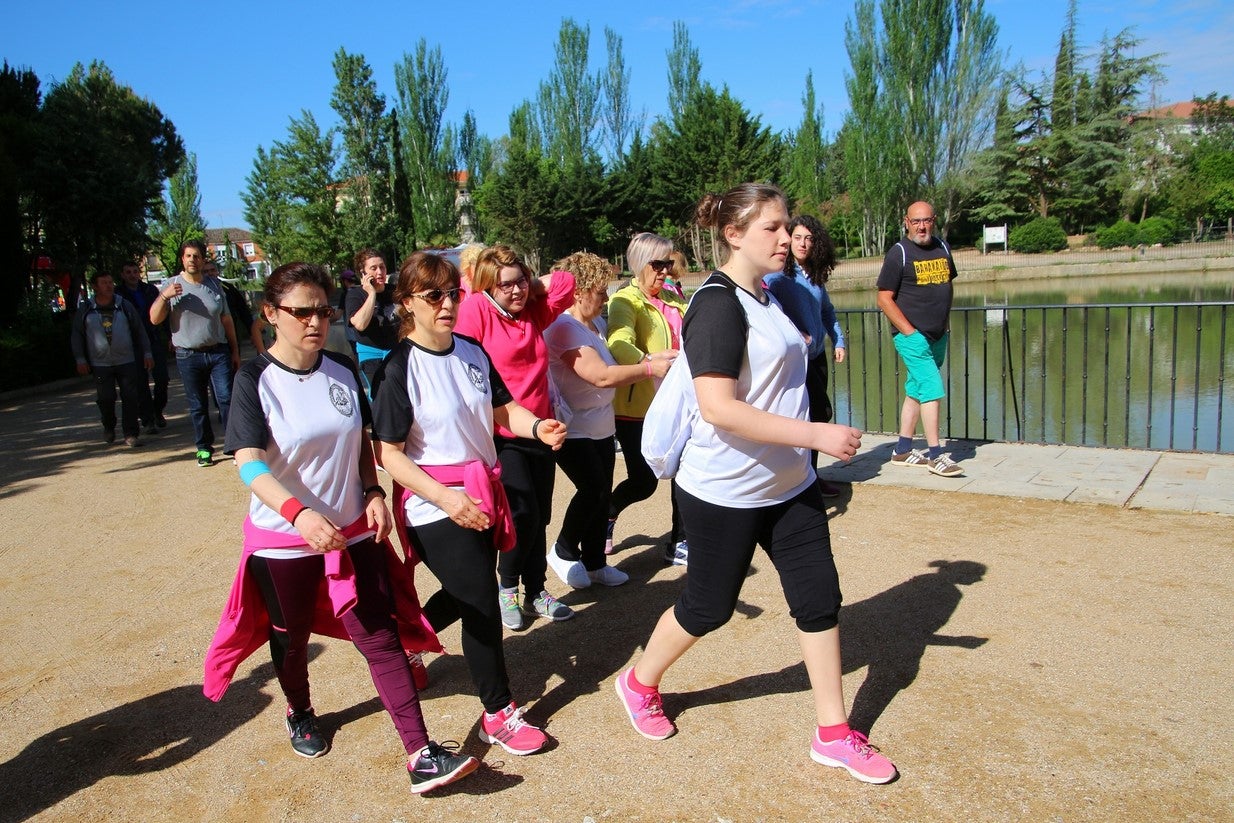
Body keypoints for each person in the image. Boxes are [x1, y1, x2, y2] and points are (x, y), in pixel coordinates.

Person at [613, 183, 897, 785]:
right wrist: (816, 433)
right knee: (708, 606)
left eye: (786, 225)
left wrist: (804, 446)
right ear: (733, 234)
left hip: (787, 484)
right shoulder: (717, 304)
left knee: (819, 598)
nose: (786, 237)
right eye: (771, 227)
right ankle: (639, 683)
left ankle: (834, 732)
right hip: (724, 490)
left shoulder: (767, 294)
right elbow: (717, 407)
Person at [203, 261, 477, 795]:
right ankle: (300, 710)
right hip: (284, 540)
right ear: (269, 314)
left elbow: (359, 446)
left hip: (352, 531)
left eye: (323, 311)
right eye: (300, 311)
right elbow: (248, 462)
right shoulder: (253, 378)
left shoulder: (343, 368)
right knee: (291, 637)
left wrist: (372, 492)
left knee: (380, 637)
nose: (314, 321)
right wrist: (299, 515)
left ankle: (420, 753)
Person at [371, 251, 566, 757]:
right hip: (433, 503)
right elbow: (388, 453)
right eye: (433, 295)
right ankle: (497, 713)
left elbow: (503, 409)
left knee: (465, 594)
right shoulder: (398, 368)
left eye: (452, 293)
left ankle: (409, 637)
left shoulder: (473, 350)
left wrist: (537, 427)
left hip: (483, 492)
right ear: (406, 303)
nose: (446, 303)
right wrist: (445, 498)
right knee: (479, 599)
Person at [454, 245, 577, 630]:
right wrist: (499, 284)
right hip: (501, 433)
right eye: (505, 285)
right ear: (488, 287)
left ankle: (536, 590)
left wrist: (529, 281)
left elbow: (566, 283)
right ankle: (507, 588)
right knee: (520, 515)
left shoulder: (531, 315)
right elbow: (457, 358)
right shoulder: (477, 309)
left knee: (539, 515)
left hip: (541, 430)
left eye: (520, 281)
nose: (516, 291)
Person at [543, 252, 677, 589]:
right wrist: (650, 368)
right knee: (592, 489)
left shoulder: (597, 325)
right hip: (572, 428)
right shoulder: (563, 328)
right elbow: (600, 376)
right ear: (579, 291)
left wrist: (653, 357)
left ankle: (595, 563)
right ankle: (562, 549)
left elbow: (619, 357)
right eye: (600, 291)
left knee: (602, 496)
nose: (606, 298)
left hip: (602, 426)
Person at [605, 233, 689, 565]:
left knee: (684, 471)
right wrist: (648, 362)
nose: (666, 271)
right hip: (637, 408)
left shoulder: (673, 296)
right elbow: (617, 342)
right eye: (658, 264)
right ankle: (606, 515)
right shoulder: (625, 300)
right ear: (640, 264)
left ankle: (680, 540)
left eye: (669, 263)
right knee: (644, 482)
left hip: (678, 403)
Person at [877, 201, 964, 477]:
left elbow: (946, 286)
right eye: (916, 221)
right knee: (932, 388)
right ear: (906, 222)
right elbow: (883, 298)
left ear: (934, 220)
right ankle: (936, 455)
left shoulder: (943, 247)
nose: (921, 226)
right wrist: (909, 332)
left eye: (926, 220)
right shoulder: (899, 253)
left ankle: (902, 449)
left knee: (916, 389)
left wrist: (943, 324)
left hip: (938, 335)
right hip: (912, 337)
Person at [764, 214, 847, 497]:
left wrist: (838, 339)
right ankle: (800, 478)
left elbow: (826, 311)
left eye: (809, 238)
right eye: (797, 237)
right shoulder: (777, 277)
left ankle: (811, 475)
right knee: (802, 417)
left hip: (817, 356)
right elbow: (769, 311)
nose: (802, 243)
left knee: (820, 413)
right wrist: (798, 333)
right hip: (796, 360)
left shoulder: (814, 276)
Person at [149, 240, 241, 467]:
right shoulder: (171, 285)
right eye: (188, 256)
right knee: (198, 404)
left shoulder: (214, 285)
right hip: (188, 355)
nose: (193, 260)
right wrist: (164, 297)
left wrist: (234, 350)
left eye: (197, 256)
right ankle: (203, 448)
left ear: (202, 259)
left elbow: (226, 319)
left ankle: (235, 447)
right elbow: (154, 318)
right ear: (182, 259)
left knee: (227, 398)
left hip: (218, 351)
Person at [71, 272, 153, 447]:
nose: (109, 286)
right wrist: (80, 359)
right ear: (94, 286)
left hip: (126, 360)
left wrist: (147, 353)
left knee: (130, 397)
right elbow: (77, 335)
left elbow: (140, 330)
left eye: (110, 282)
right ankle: (108, 426)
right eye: (104, 282)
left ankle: (131, 434)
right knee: (106, 398)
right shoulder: (86, 308)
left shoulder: (123, 305)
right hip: (100, 363)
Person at [115, 261, 169, 431]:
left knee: (162, 379)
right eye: (128, 272)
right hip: (132, 343)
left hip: (153, 338)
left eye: (135, 271)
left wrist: (169, 336)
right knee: (140, 383)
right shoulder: (119, 294)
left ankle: (157, 410)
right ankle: (148, 418)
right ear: (123, 275)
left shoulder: (150, 291)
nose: (132, 275)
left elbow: (164, 313)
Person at [345, 248, 400, 392]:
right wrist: (371, 294)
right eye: (373, 268)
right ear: (363, 273)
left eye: (382, 267)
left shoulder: (395, 291)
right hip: (371, 354)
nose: (380, 272)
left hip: (396, 350)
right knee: (379, 394)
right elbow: (360, 324)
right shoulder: (355, 295)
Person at [205, 259, 265, 354]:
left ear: (217, 272)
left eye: (212, 270)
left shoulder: (228, 289)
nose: (210, 273)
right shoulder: (200, 291)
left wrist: (252, 332)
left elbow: (243, 311)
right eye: (206, 271)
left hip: (230, 336)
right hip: (210, 339)